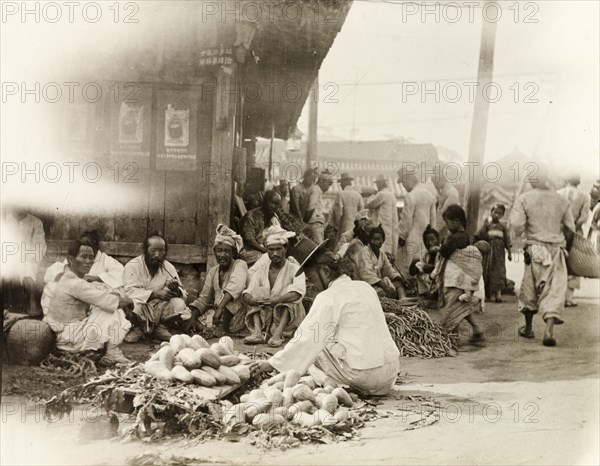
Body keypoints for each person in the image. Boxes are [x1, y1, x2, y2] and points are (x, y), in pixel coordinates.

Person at [248, 237, 400, 396]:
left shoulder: (328, 297)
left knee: (315, 348)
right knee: (328, 337)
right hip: (390, 375)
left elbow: (306, 340)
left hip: (364, 377)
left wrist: (272, 363)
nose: (311, 285)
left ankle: (329, 384)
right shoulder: (365, 287)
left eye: (312, 278)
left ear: (326, 272)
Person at [510, 168, 575, 347]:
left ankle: (529, 328)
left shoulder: (525, 198)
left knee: (530, 286)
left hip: (535, 247)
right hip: (556, 248)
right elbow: (570, 230)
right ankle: (549, 330)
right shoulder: (561, 200)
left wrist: (522, 239)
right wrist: (566, 249)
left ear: (531, 180)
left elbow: (516, 225)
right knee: (554, 289)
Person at [44, 240, 133, 365]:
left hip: (66, 334)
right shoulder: (75, 283)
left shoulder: (70, 278)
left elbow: (100, 296)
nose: (88, 262)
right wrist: (130, 301)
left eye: (91, 258)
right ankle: (112, 352)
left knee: (108, 303)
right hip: (69, 338)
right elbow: (109, 302)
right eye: (83, 257)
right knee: (111, 310)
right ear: (70, 259)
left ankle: (107, 350)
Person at [242, 226, 306, 347]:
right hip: (267, 318)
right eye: (271, 250)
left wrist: (277, 300)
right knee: (257, 291)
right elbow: (247, 293)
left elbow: (298, 292)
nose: (275, 253)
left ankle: (278, 334)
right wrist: (253, 300)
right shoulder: (262, 271)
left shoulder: (295, 269)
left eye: (278, 249)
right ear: (267, 250)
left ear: (285, 249)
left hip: (288, 321)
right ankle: (257, 332)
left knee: (290, 297)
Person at [431, 205, 485, 344]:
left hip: (455, 280)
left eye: (448, 222)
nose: (447, 225)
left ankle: (452, 337)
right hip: (458, 279)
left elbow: (445, 252)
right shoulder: (463, 236)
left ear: (457, 221)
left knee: (450, 308)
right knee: (461, 307)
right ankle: (477, 329)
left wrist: (442, 245)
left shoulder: (457, 237)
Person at [123, 234, 192, 342]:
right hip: (142, 306)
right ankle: (138, 329)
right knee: (130, 304)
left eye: (161, 251)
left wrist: (176, 290)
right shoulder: (133, 265)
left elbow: (183, 294)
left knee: (179, 303)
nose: (157, 255)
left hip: (160, 307)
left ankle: (161, 328)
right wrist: (155, 294)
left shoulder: (168, 266)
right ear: (145, 250)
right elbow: (129, 292)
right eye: (153, 250)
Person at [41, 230, 124, 314]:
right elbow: (56, 271)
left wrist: (96, 278)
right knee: (53, 289)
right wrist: (66, 277)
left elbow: (120, 272)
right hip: (74, 291)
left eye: (89, 245)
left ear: (96, 247)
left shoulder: (104, 259)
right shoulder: (76, 256)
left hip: (94, 293)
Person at [188, 224, 248, 336]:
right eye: (219, 251)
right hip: (219, 313)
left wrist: (220, 307)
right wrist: (192, 316)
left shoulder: (240, 265)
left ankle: (217, 329)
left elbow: (236, 287)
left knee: (228, 303)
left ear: (233, 253)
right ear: (214, 252)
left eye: (226, 251)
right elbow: (204, 298)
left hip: (236, 311)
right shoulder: (213, 271)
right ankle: (205, 328)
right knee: (187, 313)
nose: (222, 255)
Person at [1, 206, 46, 318]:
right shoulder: (4, 220)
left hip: (26, 259)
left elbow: (39, 247)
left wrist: (25, 257)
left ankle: (33, 302)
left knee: (27, 270)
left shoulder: (36, 223)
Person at [557, 174, 590, 307]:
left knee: (559, 262)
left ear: (567, 178)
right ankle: (569, 298)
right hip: (575, 232)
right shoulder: (583, 196)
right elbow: (584, 217)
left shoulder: (558, 193)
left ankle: (557, 297)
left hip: (559, 231)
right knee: (574, 263)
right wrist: (573, 226)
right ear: (579, 180)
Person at [396, 170, 437, 278]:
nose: (404, 187)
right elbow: (433, 219)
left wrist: (401, 236)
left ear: (409, 181)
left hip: (411, 236)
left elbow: (406, 219)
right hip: (426, 239)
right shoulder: (430, 195)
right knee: (423, 264)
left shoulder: (411, 196)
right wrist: (433, 238)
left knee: (408, 267)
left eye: (404, 184)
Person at [473, 204, 512, 303]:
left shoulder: (503, 226)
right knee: (487, 270)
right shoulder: (487, 225)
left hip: (499, 253)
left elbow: (507, 239)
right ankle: (486, 294)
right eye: (495, 212)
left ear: (502, 215)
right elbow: (478, 235)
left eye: (500, 213)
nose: (497, 215)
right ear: (491, 212)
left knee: (499, 271)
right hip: (488, 251)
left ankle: (498, 295)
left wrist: (510, 252)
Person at [356, 225, 406, 299]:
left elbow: (388, 271)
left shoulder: (382, 254)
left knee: (399, 284)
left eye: (378, 239)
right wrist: (383, 285)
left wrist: (400, 278)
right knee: (382, 293)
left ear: (383, 240)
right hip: (367, 284)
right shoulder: (364, 252)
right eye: (372, 239)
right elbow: (366, 274)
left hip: (378, 283)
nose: (375, 242)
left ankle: (402, 298)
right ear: (369, 240)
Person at [239, 190, 282, 265]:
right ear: (265, 202)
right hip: (249, 251)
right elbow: (249, 240)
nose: (275, 207)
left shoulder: (273, 218)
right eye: (272, 203)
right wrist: (265, 250)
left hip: (265, 250)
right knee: (270, 261)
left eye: (277, 204)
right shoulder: (251, 216)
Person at [366, 175, 398, 257]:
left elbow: (370, 204)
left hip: (381, 225)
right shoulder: (392, 195)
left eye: (378, 184)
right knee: (388, 247)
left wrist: (373, 195)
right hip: (390, 226)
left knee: (379, 249)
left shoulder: (381, 194)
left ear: (380, 184)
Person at [328, 173, 364, 240]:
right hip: (355, 229)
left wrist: (335, 227)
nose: (340, 185)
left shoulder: (340, 194)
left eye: (341, 182)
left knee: (341, 246)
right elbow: (362, 213)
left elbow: (338, 212)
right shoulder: (358, 195)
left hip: (343, 227)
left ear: (345, 181)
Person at [409, 225, 440, 300]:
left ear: (438, 239)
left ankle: (437, 293)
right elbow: (412, 272)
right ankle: (424, 293)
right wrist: (414, 262)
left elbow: (443, 267)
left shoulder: (442, 252)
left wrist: (432, 267)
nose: (430, 243)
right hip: (430, 282)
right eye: (427, 241)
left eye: (433, 240)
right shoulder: (425, 254)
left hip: (439, 281)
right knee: (419, 267)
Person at [303, 171, 333, 243]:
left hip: (313, 222)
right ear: (322, 181)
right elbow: (311, 207)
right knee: (318, 247)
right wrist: (306, 222)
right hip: (315, 223)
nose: (328, 188)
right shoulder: (316, 190)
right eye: (328, 184)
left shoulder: (314, 188)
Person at [432, 169, 461, 241]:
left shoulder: (452, 193)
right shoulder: (442, 192)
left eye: (435, 183)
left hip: (447, 228)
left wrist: (434, 231)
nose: (434, 186)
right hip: (441, 227)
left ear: (441, 180)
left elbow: (444, 213)